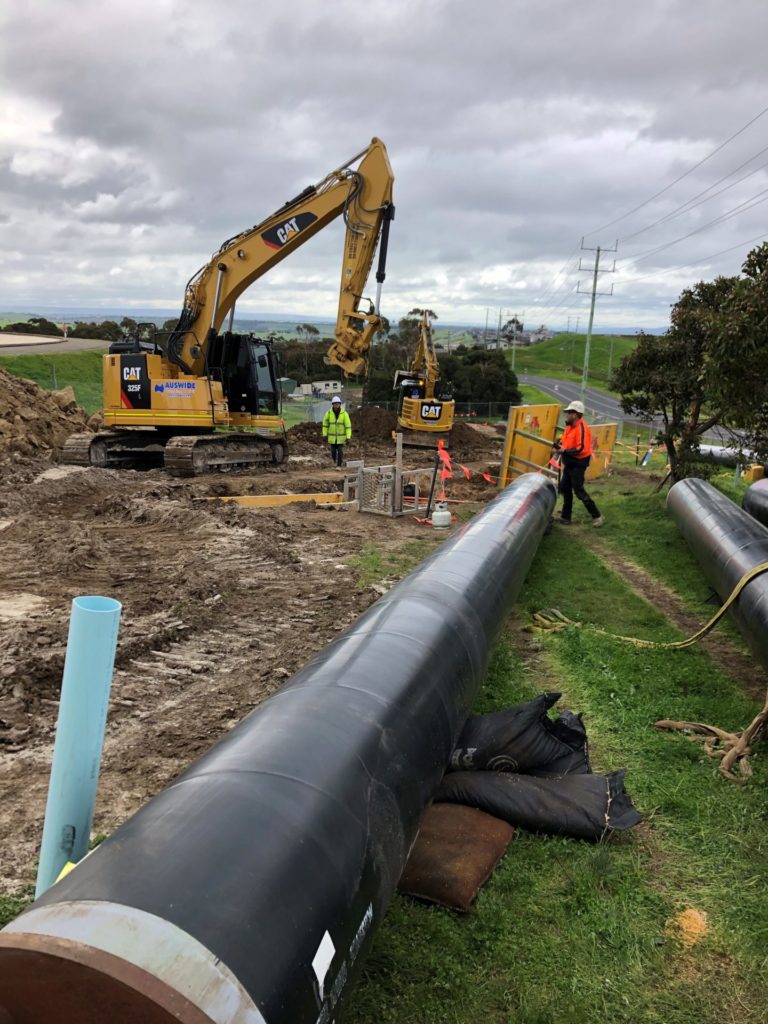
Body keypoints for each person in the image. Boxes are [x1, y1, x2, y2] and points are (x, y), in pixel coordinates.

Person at [552, 400, 605, 527]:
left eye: (569, 413)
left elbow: (581, 449)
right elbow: (566, 442)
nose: (567, 415)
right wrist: (559, 447)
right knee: (565, 488)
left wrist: (564, 450)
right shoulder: (569, 427)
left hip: (578, 464)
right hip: (569, 463)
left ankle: (597, 516)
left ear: (575, 414)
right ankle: (566, 517)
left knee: (579, 491)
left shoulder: (582, 429)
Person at [322, 395, 352, 467]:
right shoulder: (328, 414)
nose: (336, 405)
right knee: (333, 452)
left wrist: (348, 437)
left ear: (340, 404)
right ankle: (335, 461)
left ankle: (339, 465)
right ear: (332, 404)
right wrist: (324, 434)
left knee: (340, 451)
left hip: (341, 438)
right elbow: (325, 425)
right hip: (332, 438)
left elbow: (348, 427)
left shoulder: (344, 414)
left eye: (338, 403)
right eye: (335, 404)